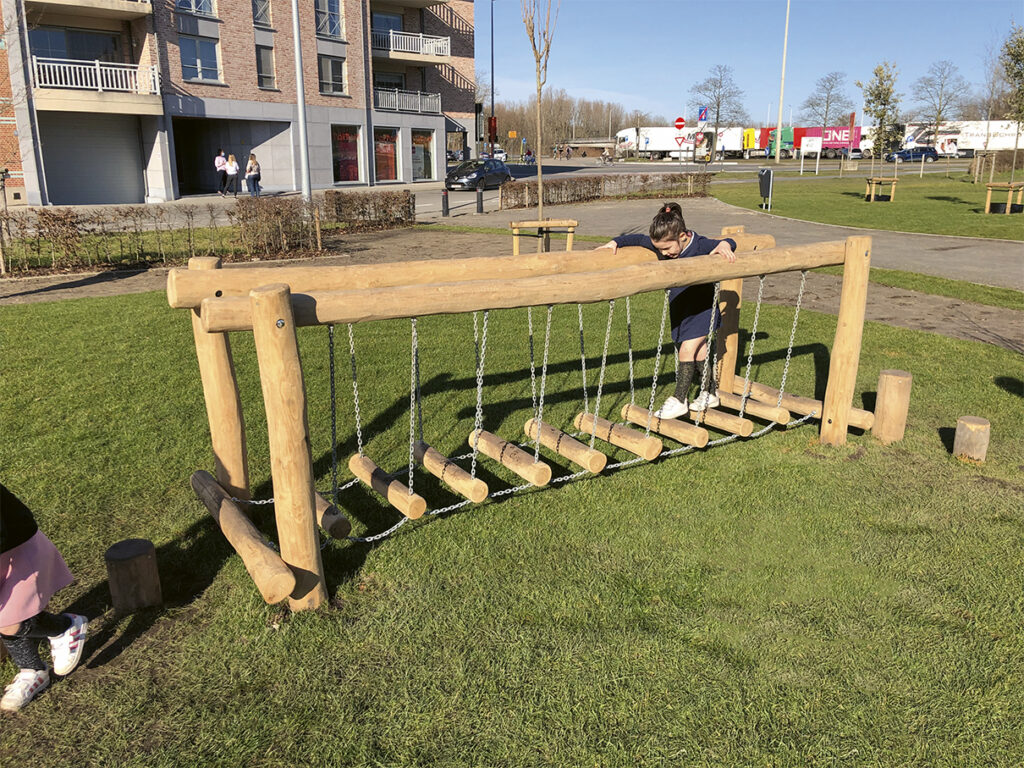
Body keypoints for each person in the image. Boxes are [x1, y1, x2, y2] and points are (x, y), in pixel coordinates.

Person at [597, 202, 736, 418]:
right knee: (700, 351)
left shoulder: (699, 245)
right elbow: (638, 239)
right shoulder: (664, 242)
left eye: (667, 249)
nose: (663, 253)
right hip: (682, 310)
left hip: (702, 310)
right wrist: (615, 242)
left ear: (682, 236)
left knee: (686, 351)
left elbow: (728, 242)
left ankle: (679, 399)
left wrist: (725, 245)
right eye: (659, 249)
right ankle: (710, 393)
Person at [0, 482, 88, 712]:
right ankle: (32, 670)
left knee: (10, 621)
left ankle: (64, 627)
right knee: (6, 614)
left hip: (17, 552)